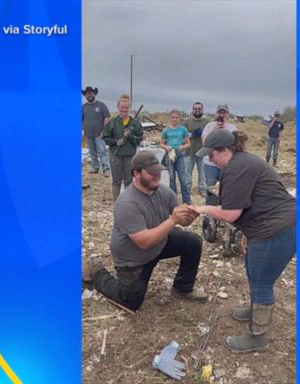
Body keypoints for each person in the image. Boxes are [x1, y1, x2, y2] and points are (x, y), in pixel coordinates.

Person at [195, 129, 295, 353]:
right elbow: (255, 201)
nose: (210, 160)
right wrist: (248, 233)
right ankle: (254, 310)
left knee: (262, 281)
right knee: (252, 269)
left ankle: (258, 337)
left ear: (225, 150)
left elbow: (230, 213)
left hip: (277, 229)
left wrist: (203, 208)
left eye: (212, 155)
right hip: (267, 226)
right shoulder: (240, 163)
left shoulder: (237, 168)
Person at [84, 151, 208, 311]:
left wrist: (189, 216)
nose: (157, 176)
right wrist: (173, 220)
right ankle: (97, 273)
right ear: (136, 173)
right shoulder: (127, 203)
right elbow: (143, 242)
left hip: (158, 242)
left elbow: (182, 221)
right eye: (152, 173)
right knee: (131, 302)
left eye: (158, 172)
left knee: (192, 242)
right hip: (134, 257)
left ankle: (182, 288)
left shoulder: (165, 192)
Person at [102, 94, 143, 201]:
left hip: (129, 155)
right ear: (118, 107)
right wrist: (116, 141)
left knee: (129, 181)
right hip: (116, 155)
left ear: (129, 108)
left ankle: (128, 203)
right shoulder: (112, 122)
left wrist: (130, 136)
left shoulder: (135, 123)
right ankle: (117, 203)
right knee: (116, 181)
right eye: (122, 107)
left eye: (126, 107)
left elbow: (139, 139)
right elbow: (105, 137)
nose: (124, 109)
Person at [201, 104, 237, 201]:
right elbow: (204, 142)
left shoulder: (232, 128)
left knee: (226, 186)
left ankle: (223, 208)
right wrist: (213, 131)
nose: (222, 115)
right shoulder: (209, 126)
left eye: (224, 113)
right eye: (220, 112)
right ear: (216, 113)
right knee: (211, 187)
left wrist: (224, 129)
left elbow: (234, 144)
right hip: (210, 162)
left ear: (228, 114)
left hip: (226, 163)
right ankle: (210, 211)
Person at [160, 110, 191, 204]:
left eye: (176, 117)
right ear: (170, 118)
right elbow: (161, 144)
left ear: (179, 118)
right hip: (170, 154)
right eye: (173, 117)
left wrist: (183, 146)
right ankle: (173, 200)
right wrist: (166, 147)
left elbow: (188, 143)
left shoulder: (183, 129)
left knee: (182, 178)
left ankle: (187, 200)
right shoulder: (166, 130)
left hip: (180, 154)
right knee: (171, 178)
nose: (174, 119)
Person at [82, 86, 111, 176]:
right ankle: (95, 168)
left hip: (99, 134)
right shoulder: (83, 107)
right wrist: (82, 131)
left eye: (91, 93)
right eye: (87, 94)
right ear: (85, 95)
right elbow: (80, 120)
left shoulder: (101, 105)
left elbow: (107, 117)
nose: (89, 95)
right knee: (92, 152)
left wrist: (104, 130)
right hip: (88, 134)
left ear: (94, 94)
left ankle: (106, 169)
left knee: (102, 151)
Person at [182, 102, 209, 197]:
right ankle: (187, 190)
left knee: (203, 173)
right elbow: (181, 134)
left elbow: (210, 135)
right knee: (187, 173)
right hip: (189, 152)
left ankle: (203, 190)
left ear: (202, 109)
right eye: (195, 109)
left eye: (199, 109)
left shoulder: (206, 122)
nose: (197, 110)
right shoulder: (187, 121)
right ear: (192, 109)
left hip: (203, 152)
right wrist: (191, 134)